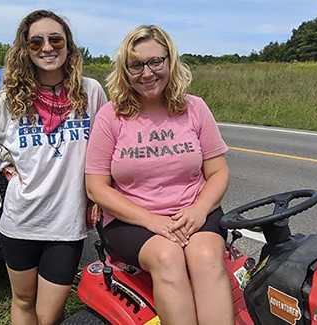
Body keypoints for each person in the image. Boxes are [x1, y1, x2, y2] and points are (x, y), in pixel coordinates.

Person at [0, 10, 107, 325]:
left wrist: (98, 195)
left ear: (68, 46)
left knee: (48, 315)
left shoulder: (90, 91)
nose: (47, 47)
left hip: (66, 225)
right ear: (26, 50)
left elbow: (102, 150)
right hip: (21, 223)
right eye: (37, 42)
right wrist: (2, 158)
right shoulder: (10, 99)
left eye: (55, 39)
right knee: (23, 301)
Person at [85, 25, 234, 325]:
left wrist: (199, 210)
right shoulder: (111, 116)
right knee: (168, 258)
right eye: (136, 64)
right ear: (125, 70)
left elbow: (218, 172)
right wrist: (152, 221)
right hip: (133, 220)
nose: (148, 72)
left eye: (156, 61)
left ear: (170, 61)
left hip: (194, 211)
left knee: (205, 258)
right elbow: (96, 188)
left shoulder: (195, 109)